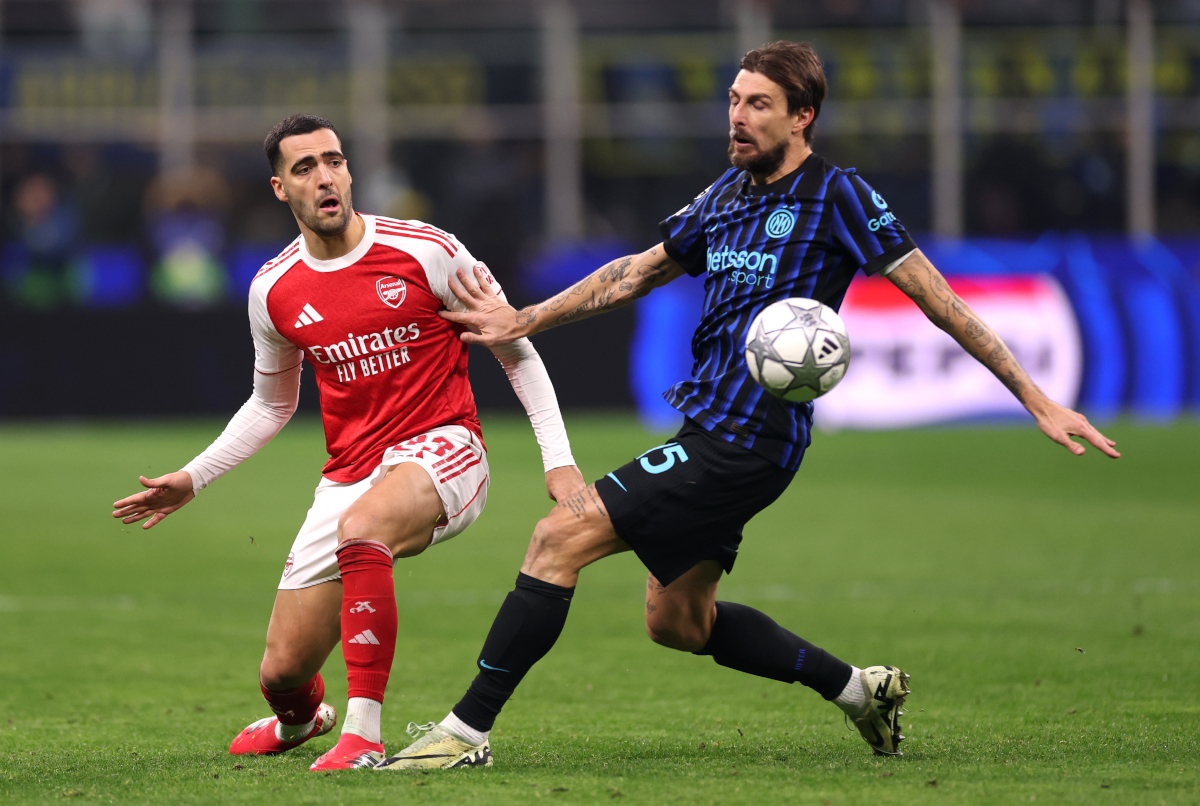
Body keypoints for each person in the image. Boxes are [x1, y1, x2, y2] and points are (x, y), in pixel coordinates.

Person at [377, 42, 1120, 771]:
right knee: (678, 623)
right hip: (711, 426)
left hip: (748, 437)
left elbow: (941, 302)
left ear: (803, 116)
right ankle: (859, 690)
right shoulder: (725, 195)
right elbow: (634, 273)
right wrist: (526, 318)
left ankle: (463, 732)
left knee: (556, 539)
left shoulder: (840, 195)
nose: (737, 117)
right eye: (734, 100)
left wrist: (1037, 399)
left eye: (758, 104)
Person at [111, 114, 585, 770]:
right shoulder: (273, 290)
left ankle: (362, 734)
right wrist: (193, 477)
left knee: (364, 528)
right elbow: (271, 404)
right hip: (351, 470)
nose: (325, 176)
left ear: (350, 171)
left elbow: (516, 352)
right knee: (280, 671)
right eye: (304, 168)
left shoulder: (428, 250)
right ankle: (303, 719)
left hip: (445, 446)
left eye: (333, 160)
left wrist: (557, 461)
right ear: (281, 189)